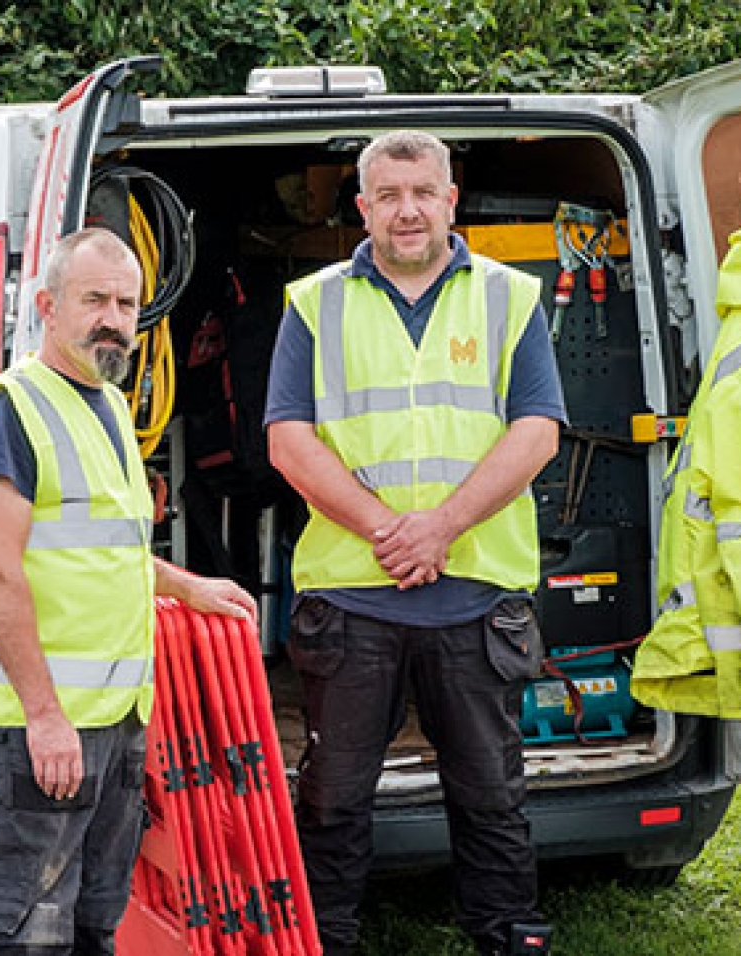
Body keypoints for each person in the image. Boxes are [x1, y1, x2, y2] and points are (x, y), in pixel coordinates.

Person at [264, 131, 565, 956]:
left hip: (475, 591)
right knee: (333, 796)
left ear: (450, 199)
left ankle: (508, 938)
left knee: (492, 796)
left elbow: (537, 432)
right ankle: (324, 943)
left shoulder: (511, 298)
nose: (406, 212)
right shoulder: (313, 303)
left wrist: (441, 528)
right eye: (388, 196)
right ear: (361, 208)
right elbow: (288, 440)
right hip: (354, 595)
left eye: (422, 193)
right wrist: (388, 533)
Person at [0, 226, 255, 955]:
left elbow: (104, 553)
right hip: (47, 727)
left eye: (126, 303)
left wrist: (186, 585)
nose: (114, 318)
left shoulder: (110, 407)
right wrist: (45, 716)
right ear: (49, 306)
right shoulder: (12, 410)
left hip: (116, 721)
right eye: (96, 300)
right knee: (23, 931)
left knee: (95, 923)